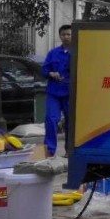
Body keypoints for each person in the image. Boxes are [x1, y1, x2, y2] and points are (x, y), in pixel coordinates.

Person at [42, 24, 72, 158]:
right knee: (51, 120)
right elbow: (44, 70)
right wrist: (51, 74)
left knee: (71, 122)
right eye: (63, 34)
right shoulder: (53, 53)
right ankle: (49, 151)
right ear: (60, 36)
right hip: (53, 92)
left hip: (70, 93)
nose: (66, 37)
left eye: (69, 34)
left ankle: (69, 151)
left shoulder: (78, 52)